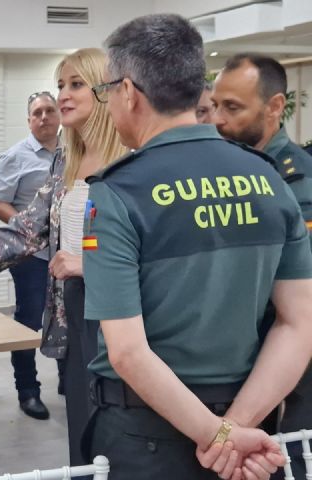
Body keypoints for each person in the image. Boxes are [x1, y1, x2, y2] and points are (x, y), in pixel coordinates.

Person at [82, 14, 311, 480]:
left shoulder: (117, 192)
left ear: (128, 92)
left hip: (147, 434)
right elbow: (298, 323)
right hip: (251, 423)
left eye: (106, 93)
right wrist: (233, 428)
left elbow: (127, 352)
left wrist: (218, 436)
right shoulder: (268, 178)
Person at [0, 48, 128, 466]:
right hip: (73, 311)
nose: (63, 96)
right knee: (82, 435)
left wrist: (87, 265)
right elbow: (30, 225)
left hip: (123, 315)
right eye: (60, 85)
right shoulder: (65, 158)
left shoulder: (133, 157)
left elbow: (156, 251)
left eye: (75, 85)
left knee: (119, 435)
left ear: (106, 91)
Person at [211, 53, 312, 479]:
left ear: (274, 107)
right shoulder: (227, 169)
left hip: (287, 355)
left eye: (232, 108)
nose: (217, 119)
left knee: (286, 457)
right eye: (214, 105)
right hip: (236, 351)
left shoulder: (297, 180)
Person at [0, 91, 61, 420]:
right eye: (37, 113)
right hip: (32, 257)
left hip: (67, 254)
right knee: (28, 323)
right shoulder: (14, 157)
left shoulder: (73, 151)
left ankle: (67, 382)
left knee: (66, 318)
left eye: (49, 110)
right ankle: (28, 391)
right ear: (29, 120)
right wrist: (25, 227)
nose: (44, 117)